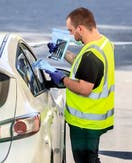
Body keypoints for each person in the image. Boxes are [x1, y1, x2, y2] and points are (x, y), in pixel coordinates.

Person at [46, 7, 115, 163]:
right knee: (91, 158)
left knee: (86, 160)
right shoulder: (103, 43)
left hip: (85, 122)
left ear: (80, 28)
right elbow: (83, 64)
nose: (70, 35)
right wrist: (63, 53)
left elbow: (84, 88)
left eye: (71, 31)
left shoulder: (91, 55)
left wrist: (61, 78)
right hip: (95, 118)